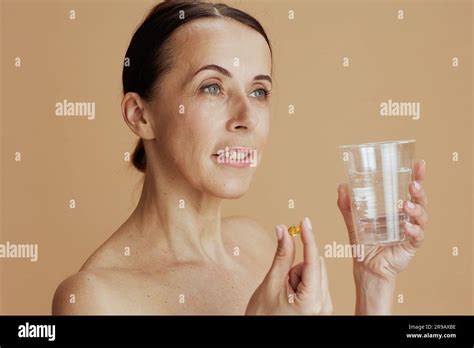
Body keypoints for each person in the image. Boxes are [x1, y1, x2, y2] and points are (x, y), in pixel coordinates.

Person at [52, 0, 428, 315]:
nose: (247, 118)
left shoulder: (258, 244)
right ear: (140, 115)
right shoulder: (93, 298)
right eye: (213, 87)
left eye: (259, 92)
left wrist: (373, 282)